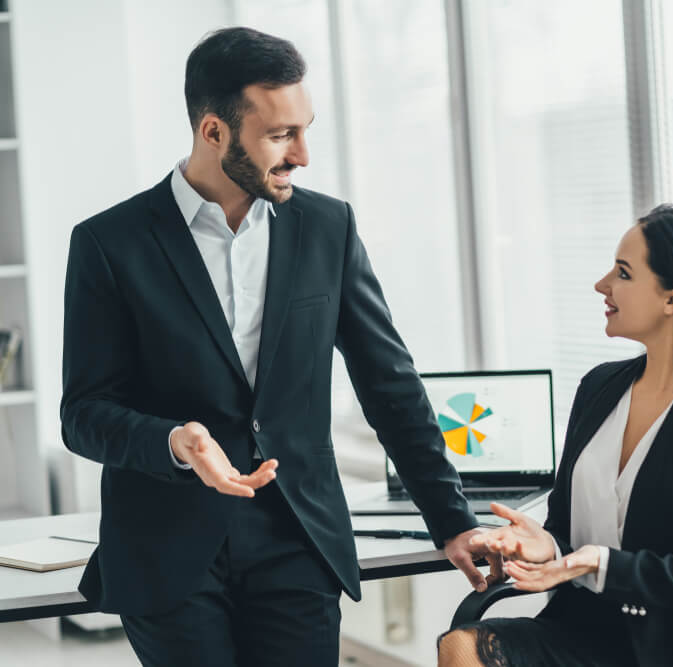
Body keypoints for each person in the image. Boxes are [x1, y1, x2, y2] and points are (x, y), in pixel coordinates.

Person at [60, 26, 499, 667]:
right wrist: (174, 442)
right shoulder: (109, 243)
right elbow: (84, 414)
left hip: (297, 537)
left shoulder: (328, 227)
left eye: (305, 128)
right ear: (213, 132)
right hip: (166, 547)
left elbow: (389, 381)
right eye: (280, 136)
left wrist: (451, 516)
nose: (303, 154)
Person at [437, 204, 673, 667]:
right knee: (462, 647)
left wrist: (602, 564)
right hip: (581, 630)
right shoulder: (599, 388)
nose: (601, 284)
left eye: (623, 273)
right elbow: (567, 534)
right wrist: (546, 546)